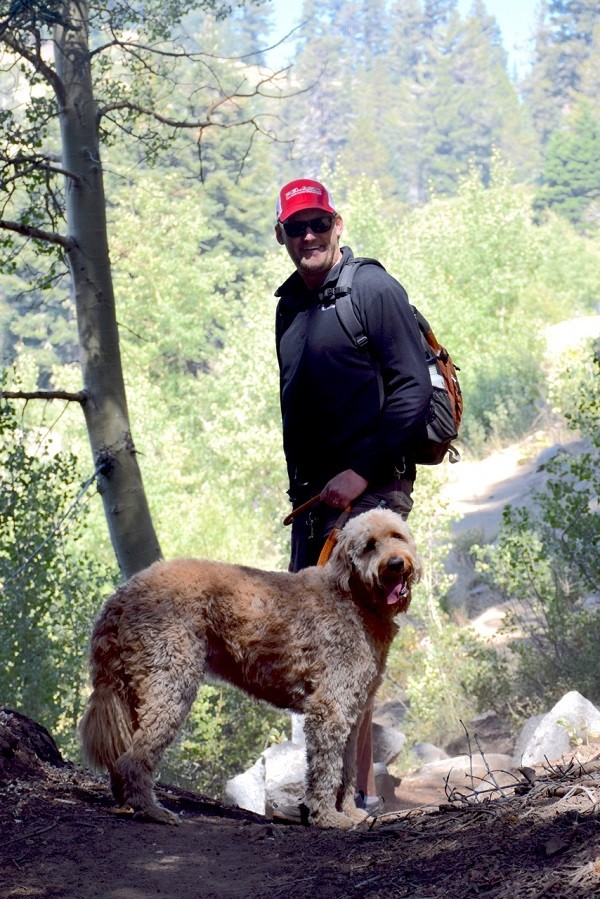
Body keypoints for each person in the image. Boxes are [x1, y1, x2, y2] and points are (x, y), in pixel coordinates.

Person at [273, 177, 433, 810]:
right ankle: (330, 791)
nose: (308, 236)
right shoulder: (288, 303)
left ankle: (359, 797)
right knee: (310, 642)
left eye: (318, 223)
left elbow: (412, 391)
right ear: (281, 234)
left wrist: (360, 476)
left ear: (337, 225)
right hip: (315, 504)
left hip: (370, 497)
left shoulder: (372, 289)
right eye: (296, 227)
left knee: (358, 642)